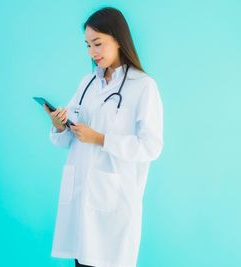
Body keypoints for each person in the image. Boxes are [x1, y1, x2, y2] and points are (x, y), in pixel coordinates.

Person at [44, 7, 164, 267]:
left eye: (98, 44)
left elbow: (151, 147)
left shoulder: (144, 87)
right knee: (82, 261)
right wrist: (60, 125)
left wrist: (101, 139)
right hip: (81, 204)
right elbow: (67, 140)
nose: (91, 52)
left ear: (118, 39)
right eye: (88, 45)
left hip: (114, 206)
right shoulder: (87, 82)